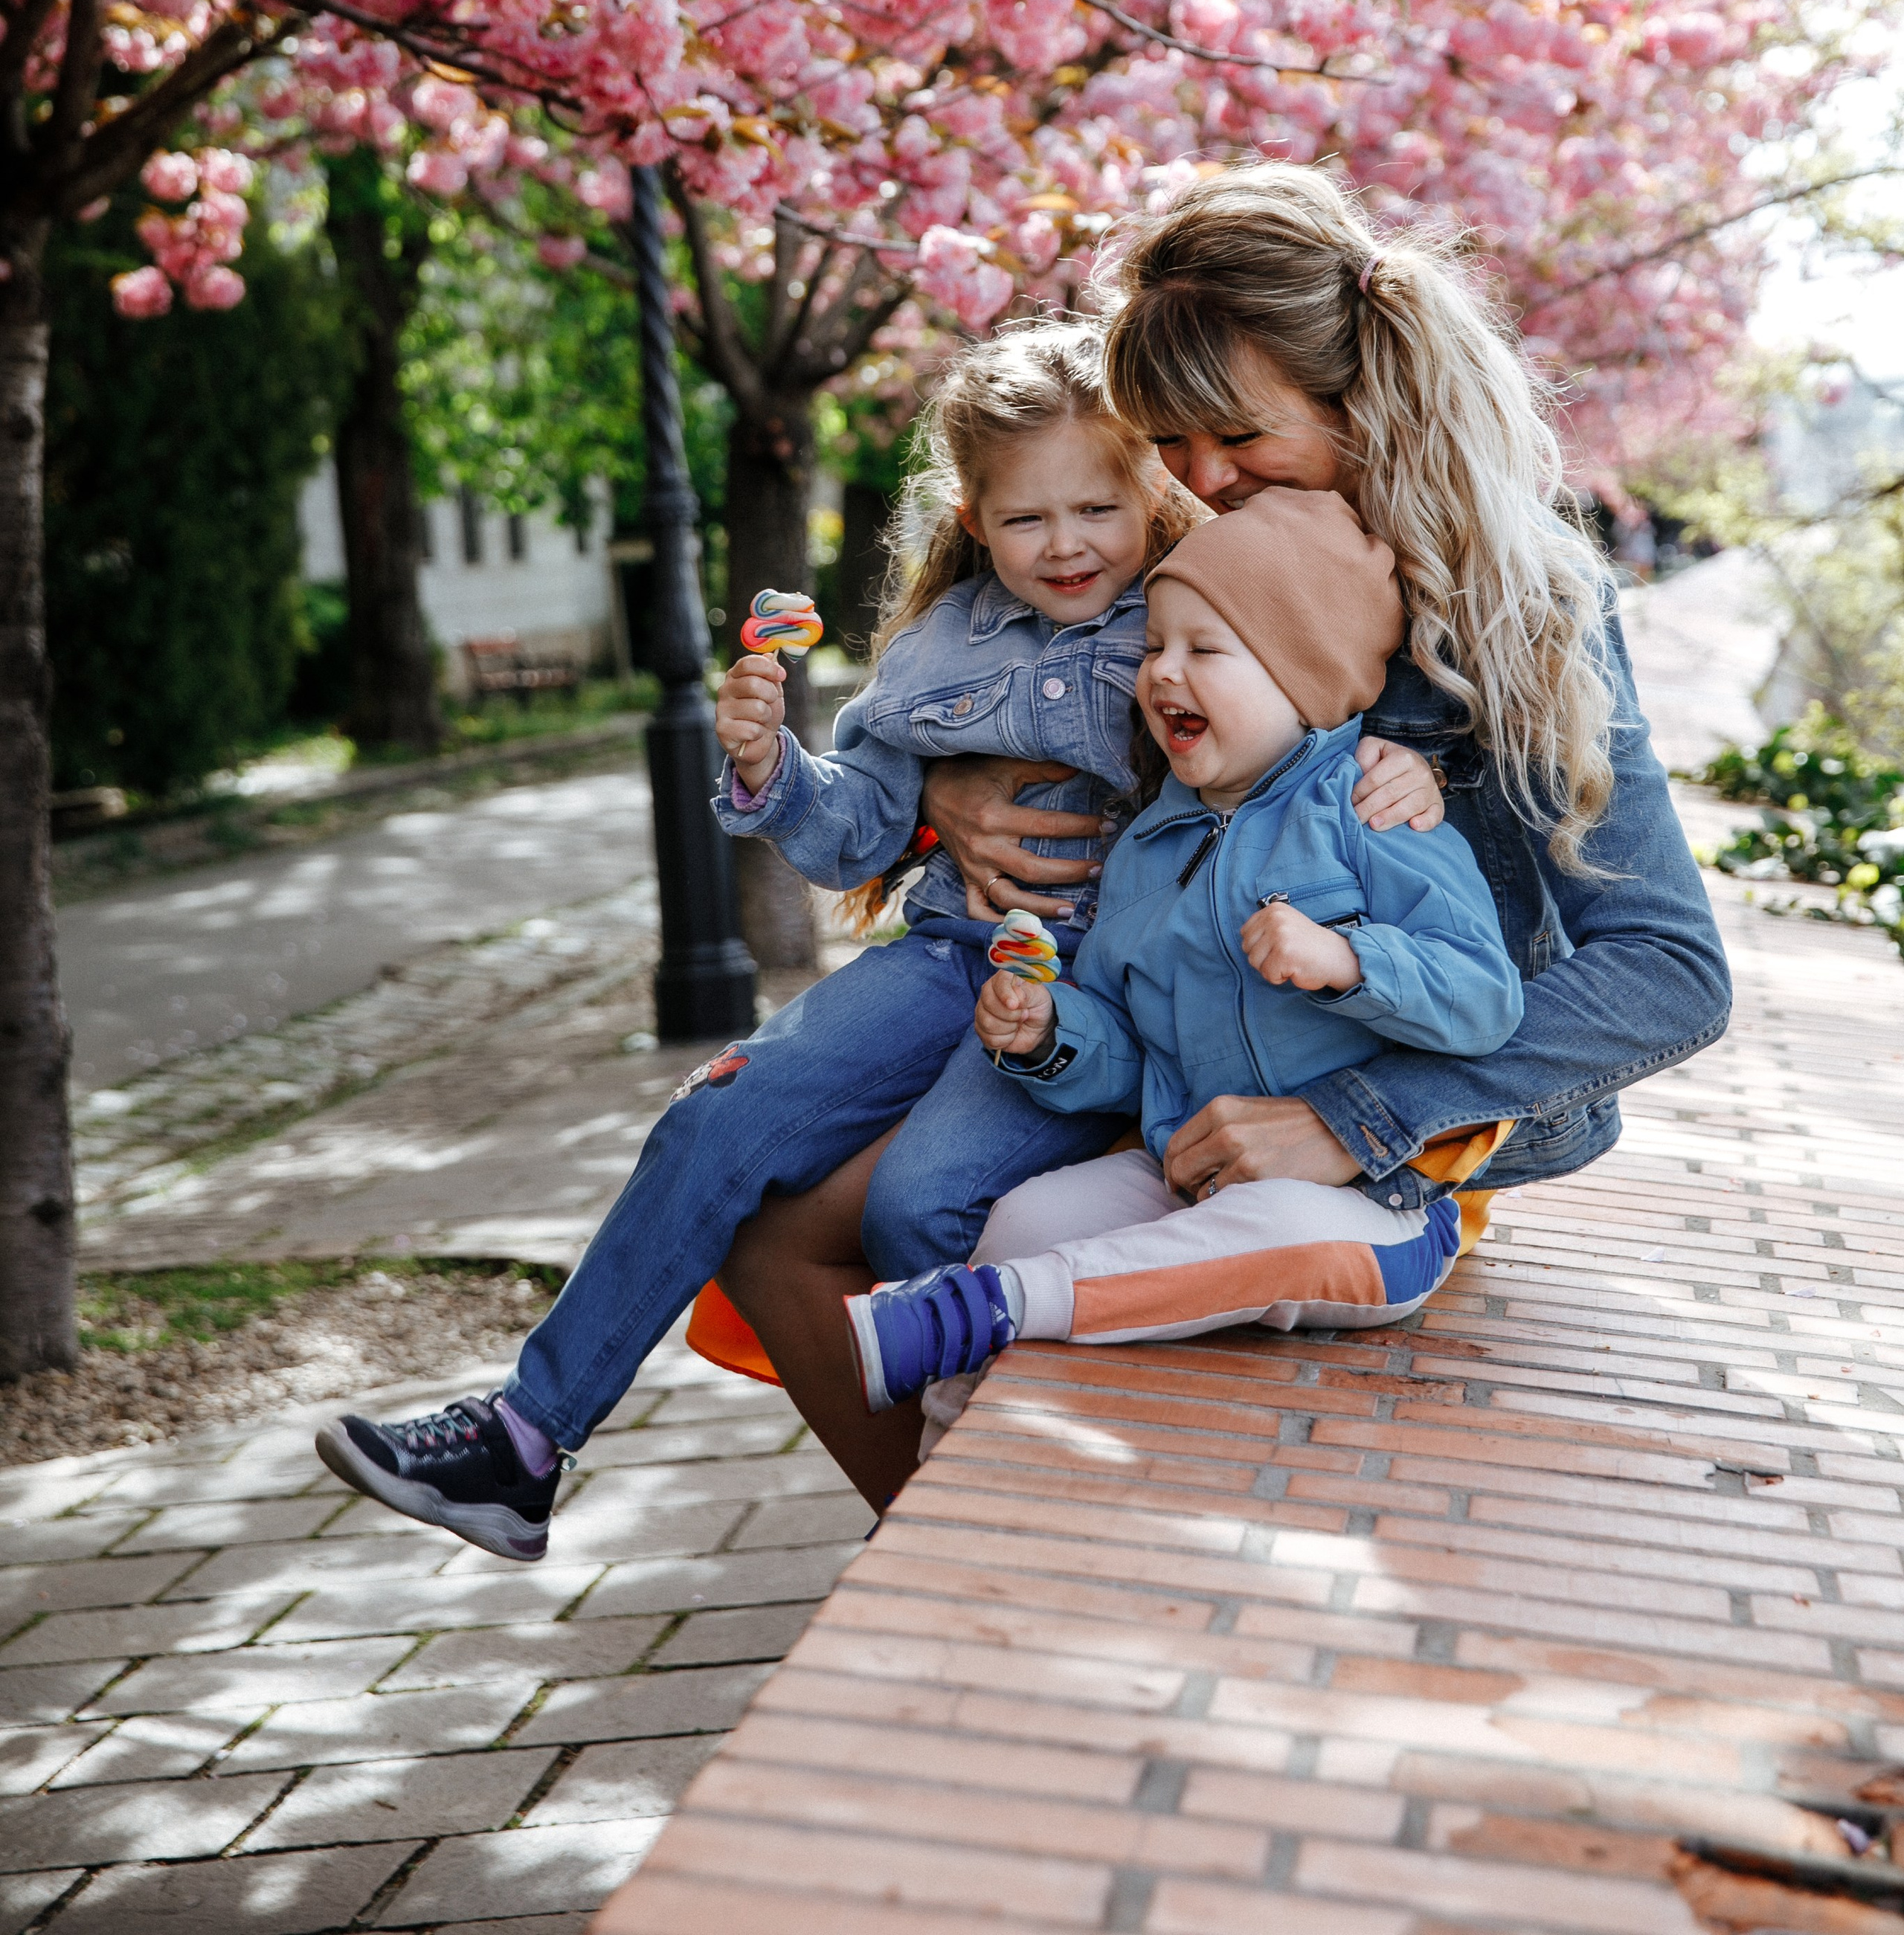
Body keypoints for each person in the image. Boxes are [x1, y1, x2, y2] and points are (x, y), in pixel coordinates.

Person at [313, 317, 1445, 1554]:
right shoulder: (938, 647)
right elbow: (858, 832)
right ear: (973, 515)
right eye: (1026, 519)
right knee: (710, 1116)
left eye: (1095, 510)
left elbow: (1321, 695)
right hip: (948, 956)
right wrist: (775, 769)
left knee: (921, 1209)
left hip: (1096, 1001)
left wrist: (1399, 767)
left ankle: (979, 1511)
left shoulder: (1199, 603)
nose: (1066, 544)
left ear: (1152, 492)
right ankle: (524, 1441)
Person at [718, 165, 1731, 1496]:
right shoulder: (1187, 543)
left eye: (1237, 436)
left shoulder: (1517, 605)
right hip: (1137, 1035)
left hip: (1389, 1116)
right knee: (766, 1221)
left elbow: (1670, 970)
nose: (1201, 479)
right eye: (1171, 445)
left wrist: (1356, 1117)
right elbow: (1045, 724)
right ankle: (940, 1548)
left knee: (885, 1229)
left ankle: (980, 1543)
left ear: (1363, 398)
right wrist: (941, 808)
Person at [844, 487, 1523, 1411]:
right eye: (1154, 646)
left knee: (1282, 1231)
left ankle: (1000, 1307)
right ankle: (952, 1448)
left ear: (1302, 676)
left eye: (1204, 651)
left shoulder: (1373, 810)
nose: (1162, 671)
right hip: (1189, 1175)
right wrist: (1050, 1034)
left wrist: (1350, 963)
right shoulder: (1146, 849)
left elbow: (1486, 997)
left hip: (1374, 1201)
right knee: (1026, 1219)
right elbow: (1132, 1050)